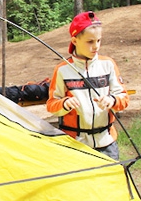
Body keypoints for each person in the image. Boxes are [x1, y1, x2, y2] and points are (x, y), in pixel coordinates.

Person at [46, 11, 129, 160]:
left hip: (107, 143)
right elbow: (51, 105)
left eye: (98, 40)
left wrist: (112, 100)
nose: (96, 46)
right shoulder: (62, 70)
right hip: (75, 145)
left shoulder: (108, 64)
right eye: (90, 42)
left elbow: (124, 98)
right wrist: (64, 103)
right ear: (75, 40)